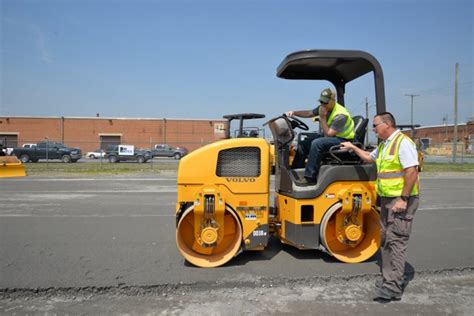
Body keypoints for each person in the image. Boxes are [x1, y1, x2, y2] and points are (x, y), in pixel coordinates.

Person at [340, 112, 420, 302]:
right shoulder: (385, 145)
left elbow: (412, 172)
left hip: (401, 200)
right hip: (386, 199)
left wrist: (403, 199)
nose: (373, 129)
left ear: (387, 124)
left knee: (396, 241)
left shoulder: (403, 143)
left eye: (375, 125)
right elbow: (369, 157)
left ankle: (393, 287)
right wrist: (352, 147)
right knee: (385, 240)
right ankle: (388, 280)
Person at [286, 88, 355, 186]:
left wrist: (322, 118)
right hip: (333, 137)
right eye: (321, 101)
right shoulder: (323, 107)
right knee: (304, 143)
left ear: (333, 100)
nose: (322, 104)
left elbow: (328, 134)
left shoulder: (340, 115)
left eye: (325, 102)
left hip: (344, 141)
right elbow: (309, 113)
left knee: (317, 143)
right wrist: (294, 112)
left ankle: (310, 177)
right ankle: (295, 171)